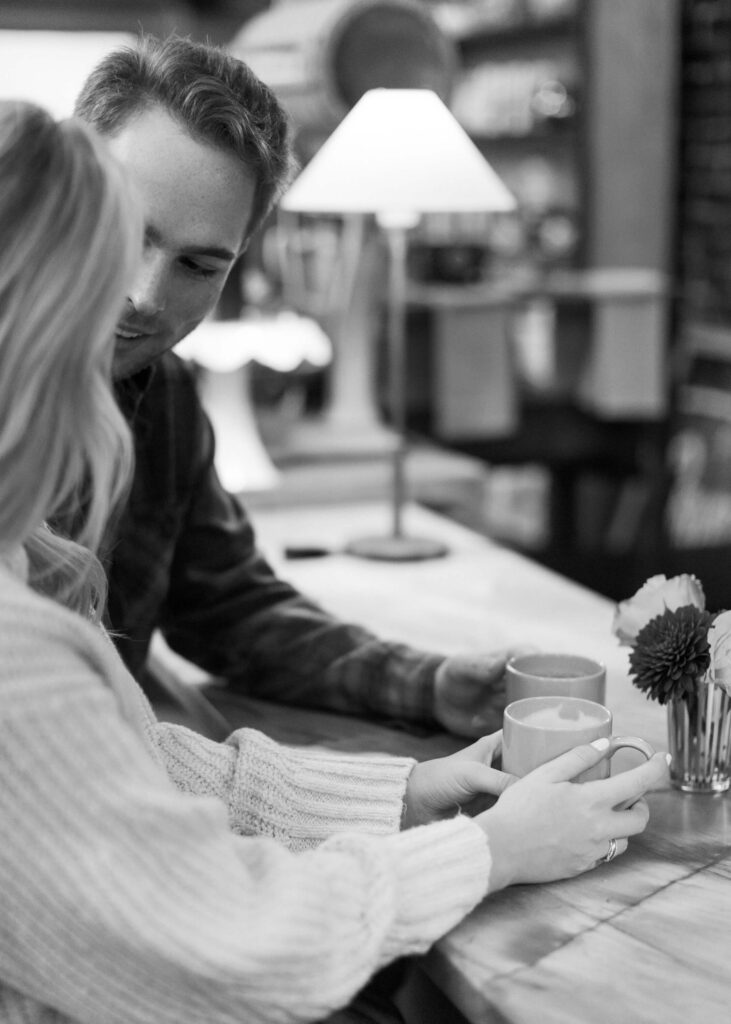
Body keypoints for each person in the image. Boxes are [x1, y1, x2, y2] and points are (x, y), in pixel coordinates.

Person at [0, 98, 669, 1024]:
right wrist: (488, 852)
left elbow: (129, 755)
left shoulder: (138, 428)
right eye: (116, 258)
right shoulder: (18, 653)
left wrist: (409, 783)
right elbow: (230, 945)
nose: (144, 299)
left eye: (198, 263)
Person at [73, 33, 520, 741]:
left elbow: (230, 608)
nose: (146, 297)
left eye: (197, 266)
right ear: (67, 186)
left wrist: (427, 682)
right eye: (130, 231)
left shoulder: (166, 397)